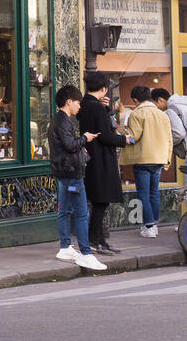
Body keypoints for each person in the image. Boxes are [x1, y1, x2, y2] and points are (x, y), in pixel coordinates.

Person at [49, 85, 106, 271]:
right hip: (72, 172)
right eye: (77, 102)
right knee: (82, 213)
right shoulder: (64, 121)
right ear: (69, 102)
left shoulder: (57, 120)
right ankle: (85, 253)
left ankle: (65, 247)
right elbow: (69, 144)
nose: (79, 106)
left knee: (64, 211)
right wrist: (85, 138)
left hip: (62, 172)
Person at [78, 72, 127, 255]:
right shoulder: (96, 107)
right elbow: (105, 135)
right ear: (104, 89)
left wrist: (106, 110)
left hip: (92, 158)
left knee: (100, 202)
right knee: (101, 202)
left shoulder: (86, 105)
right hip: (101, 160)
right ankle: (95, 240)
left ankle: (99, 240)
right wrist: (124, 139)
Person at [122, 85, 171, 239]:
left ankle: (149, 226)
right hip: (159, 158)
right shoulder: (162, 114)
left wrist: (120, 130)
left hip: (143, 159)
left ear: (135, 100)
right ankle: (153, 224)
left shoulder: (137, 114)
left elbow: (133, 136)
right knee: (154, 193)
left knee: (144, 194)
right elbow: (169, 139)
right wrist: (167, 159)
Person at [152, 87, 187, 167]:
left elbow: (179, 134)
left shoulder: (171, 110)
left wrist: (167, 144)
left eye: (155, 104)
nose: (157, 108)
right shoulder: (183, 104)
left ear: (160, 99)